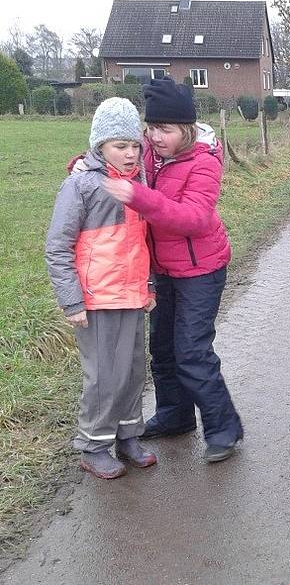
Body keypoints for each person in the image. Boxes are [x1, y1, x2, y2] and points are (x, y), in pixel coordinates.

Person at [102, 78, 243, 463]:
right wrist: (85, 165)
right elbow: (111, 157)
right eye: (151, 127)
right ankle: (175, 415)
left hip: (202, 270)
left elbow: (194, 218)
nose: (154, 136)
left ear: (186, 129)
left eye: (164, 129)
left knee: (192, 352)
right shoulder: (148, 153)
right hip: (162, 268)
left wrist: (139, 197)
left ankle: (224, 429)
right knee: (162, 348)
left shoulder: (205, 161)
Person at [46, 97, 158, 479]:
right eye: (120, 146)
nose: (130, 154)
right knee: (103, 376)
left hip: (132, 296)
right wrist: (72, 301)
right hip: (96, 301)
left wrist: (148, 286)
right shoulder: (80, 185)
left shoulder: (138, 184)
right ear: (100, 145)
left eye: (135, 146)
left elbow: (142, 243)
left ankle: (128, 436)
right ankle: (94, 445)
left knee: (132, 371)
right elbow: (57, 247)